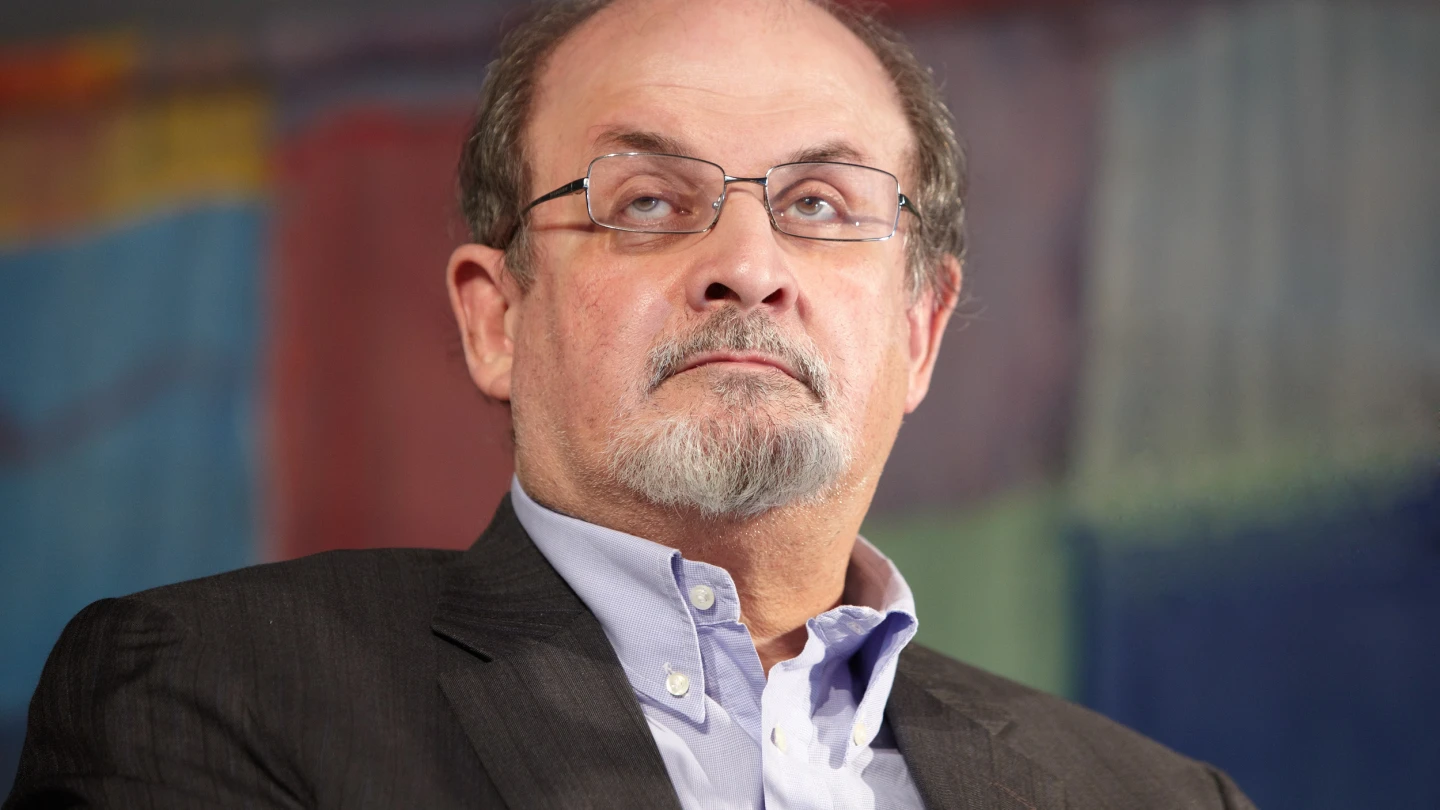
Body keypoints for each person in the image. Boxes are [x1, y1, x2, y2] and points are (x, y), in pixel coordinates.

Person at [5, 0, 1256, 808]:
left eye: (821, 205)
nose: (750, 265)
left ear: (921, 332)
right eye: (649, 200)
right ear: (496, 317)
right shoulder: (218, 694)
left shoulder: (1156, 798)